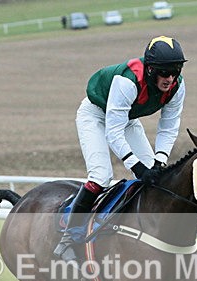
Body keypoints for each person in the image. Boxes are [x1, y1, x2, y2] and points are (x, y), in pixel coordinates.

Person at [53, 35, 188, 264]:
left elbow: (168, 127)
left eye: (175, 71)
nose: (170, 78)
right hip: (96, 115)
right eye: (164, 73)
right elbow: (112, 132)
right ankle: (68, 238)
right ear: (150, 69)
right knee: (101, 176)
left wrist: (158, 161)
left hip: (127, 118)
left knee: (156, 180)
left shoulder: (178, 86)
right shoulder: (128, 81)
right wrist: (137, 166)